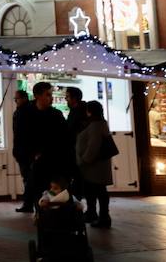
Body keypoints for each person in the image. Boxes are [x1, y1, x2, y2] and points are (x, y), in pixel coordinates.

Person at [29, 82, 73, 205]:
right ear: (37, 96)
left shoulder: (56, 114)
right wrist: (33, 155)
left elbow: (65, 138)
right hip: (38, 162)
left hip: (55, 161)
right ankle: (41, 216)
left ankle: (53, 218)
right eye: (48, 95)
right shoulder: (27, 114)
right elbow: (23, 138)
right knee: (38, 192)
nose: (51, 98)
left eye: (51, 94)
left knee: (55, 193)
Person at [75, 100, 115, 228]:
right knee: (96, 191)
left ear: (90, 111)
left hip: (93, 167)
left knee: (97, 191)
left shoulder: (95, 125)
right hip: (97, 166)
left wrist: (84, 161)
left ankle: (103, 217)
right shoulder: (99, 123)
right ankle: (97, 215)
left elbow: (93, 146)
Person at [12, 87, 40, 212]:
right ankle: (30, 203)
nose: (15, 101)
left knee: (29, 178)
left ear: (23, 98)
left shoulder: (24, 112)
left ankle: (29, 203)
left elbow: (23, 134)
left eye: (16, 99)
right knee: (29, 178)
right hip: (25, 151)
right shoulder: (25, 111)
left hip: (26, 151)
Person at [64, 87, 90, 210]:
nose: (65, 99)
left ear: (74, 98)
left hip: (78, 151)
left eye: (68, 97)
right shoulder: (78, 110)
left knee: (80, 179)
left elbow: (74, 132)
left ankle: (79, 207)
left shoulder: (79, 112)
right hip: (76, 151)